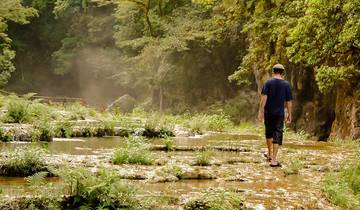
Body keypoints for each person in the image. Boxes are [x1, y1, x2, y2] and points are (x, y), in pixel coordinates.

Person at [257, 64, 293, 167]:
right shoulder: (286, 84)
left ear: (273, 71)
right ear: (282, 73)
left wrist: (260, 112)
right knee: (277, 133)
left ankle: (269, 153)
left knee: (269, 132)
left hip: (268, 112)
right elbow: (289, 101)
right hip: (279, 114)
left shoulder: (268, 83)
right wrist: (289, 114)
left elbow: (263, 99)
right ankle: (274, 159)